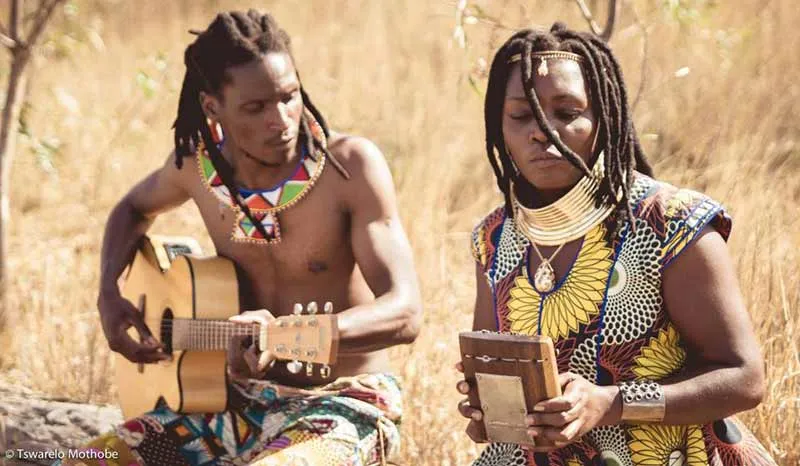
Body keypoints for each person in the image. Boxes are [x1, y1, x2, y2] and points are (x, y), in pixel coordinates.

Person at [67, 9, 422, 466]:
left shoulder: (349, 167)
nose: (281, 119)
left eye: (290, 97)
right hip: (227, 411)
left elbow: (406, 313)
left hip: (345, 404)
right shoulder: (195, 167)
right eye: (256, 108)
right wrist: (108, 292)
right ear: (212, 106)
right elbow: (132, 209)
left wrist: (289, 334)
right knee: (82, 459)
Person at [455, 23, 776, 466]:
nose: (541, 131)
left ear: (604, 117)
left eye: (566, 112)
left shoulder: (671, 223)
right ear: (499, 126)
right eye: (521, 115)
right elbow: (495, 392)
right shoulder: (493, 238)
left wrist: (610, 403)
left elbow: (744, 379)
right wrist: (487, 410)